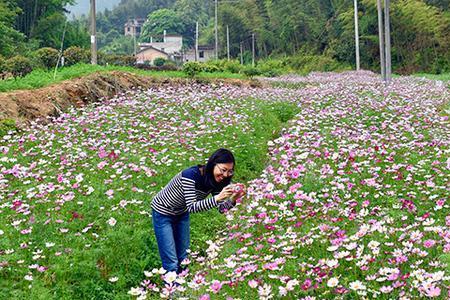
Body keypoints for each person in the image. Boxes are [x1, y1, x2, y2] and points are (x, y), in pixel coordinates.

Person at [151, 148, 246, 274]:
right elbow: (192, 207)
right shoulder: (190, 175)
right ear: (213, 164)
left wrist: (234, 199)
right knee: (171, 262)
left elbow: (221, 209)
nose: (225, 175)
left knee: (184, 257)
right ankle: (172, 291)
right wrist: (218, 197)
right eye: (223, 170)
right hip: (162, 213)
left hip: (181, 213)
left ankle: (182, 287)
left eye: (230, 171)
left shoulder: (216, 181)